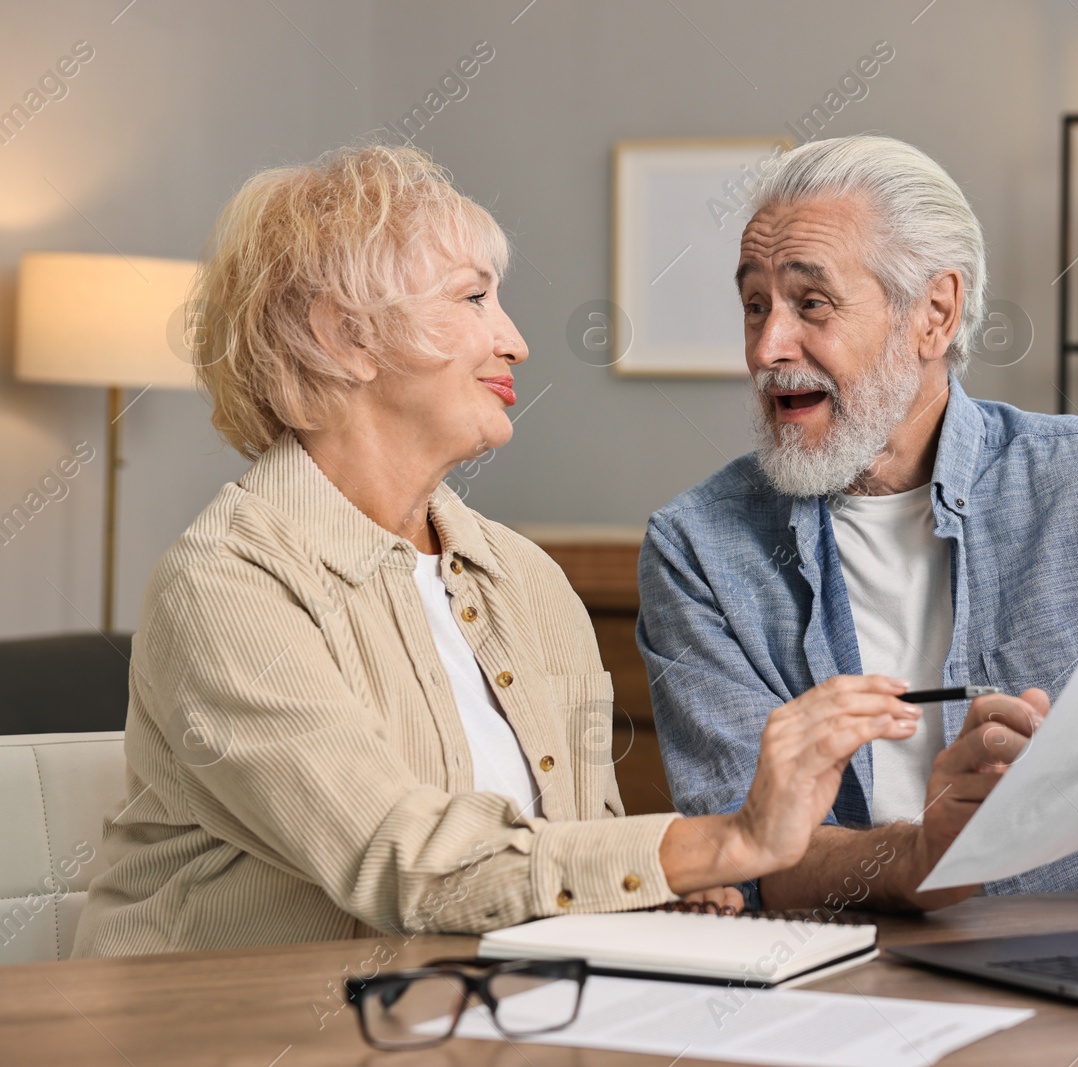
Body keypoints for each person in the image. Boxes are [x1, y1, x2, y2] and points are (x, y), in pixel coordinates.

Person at [73, 143, 925, 956]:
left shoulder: (525, 579)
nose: (514, 340)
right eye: (473, 298)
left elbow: (579, 844)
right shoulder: (227, 584)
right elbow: (404, 863)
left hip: (481, 1010)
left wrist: (674, 887)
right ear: (345, 336)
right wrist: (725, 841)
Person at [637, 135, 1078, 913]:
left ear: (935, 312)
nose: (766, 347)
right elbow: (751, 856)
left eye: (809, 303)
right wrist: (923, 856)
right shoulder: (698, 548)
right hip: (849, 967)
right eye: (754, 305)